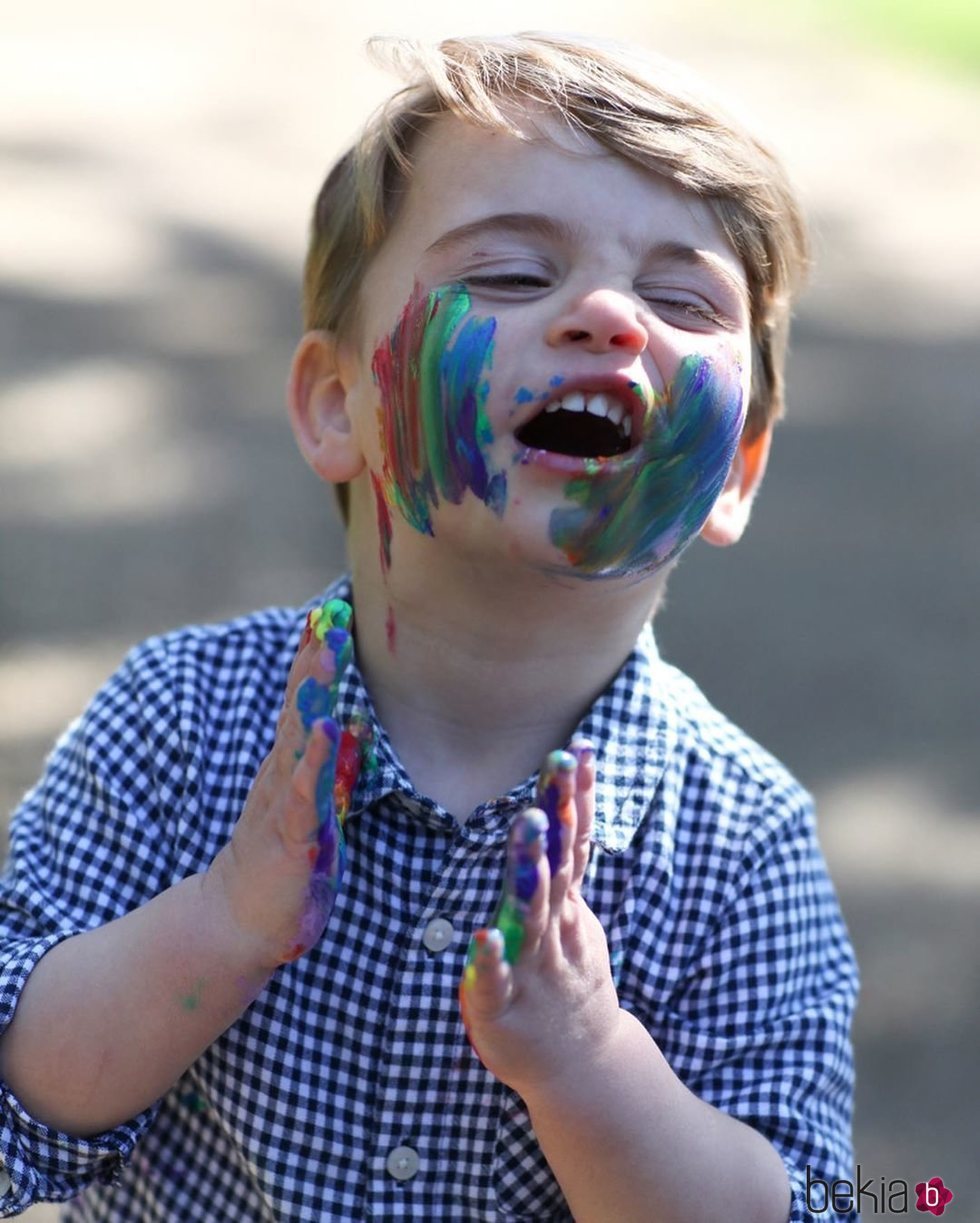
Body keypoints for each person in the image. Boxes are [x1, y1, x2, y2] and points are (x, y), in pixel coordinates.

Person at [0, 32, 858, 1222]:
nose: (608, 316)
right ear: (334, 402)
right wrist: (221, 925)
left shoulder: (739, 842)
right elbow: (17, 1114)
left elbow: (805, 1204)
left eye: (678, 299)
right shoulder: (178, 722)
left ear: (735, 467)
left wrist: (584, 1060)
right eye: (510, 272)